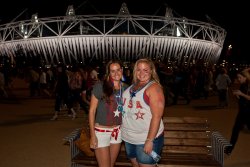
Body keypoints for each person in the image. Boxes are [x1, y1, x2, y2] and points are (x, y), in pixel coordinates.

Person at [121, 58, 165, 167]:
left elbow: (157, 116)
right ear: (135, 71)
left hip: (145, 138)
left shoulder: (154, 88)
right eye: (138, 70)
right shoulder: (133, 85)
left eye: (145, 70)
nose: (141, 73)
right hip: (129, 137)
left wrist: (150, 140)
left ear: (151, 71)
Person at [88, 60, 128, 167]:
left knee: (111, 164)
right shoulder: (100, 86)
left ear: (122, 70)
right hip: (101, 132)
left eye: (118, 70)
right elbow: (91, 111)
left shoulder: (126, 88)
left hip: (117, 132)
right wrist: (92, 135)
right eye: (112, 71)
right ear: (108, 73)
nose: (116, 73)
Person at [225, 68, 250, 155]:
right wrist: (237, 95)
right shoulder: (243, 85)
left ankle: (229, 149)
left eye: (240, 77)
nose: (238, 79)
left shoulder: (249, 85)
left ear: (245, 77)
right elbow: (243, 98)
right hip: (242, 112)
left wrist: (241, 94)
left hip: (248, 112)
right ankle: (229, 149)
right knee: (235, 130)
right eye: (238, 78)